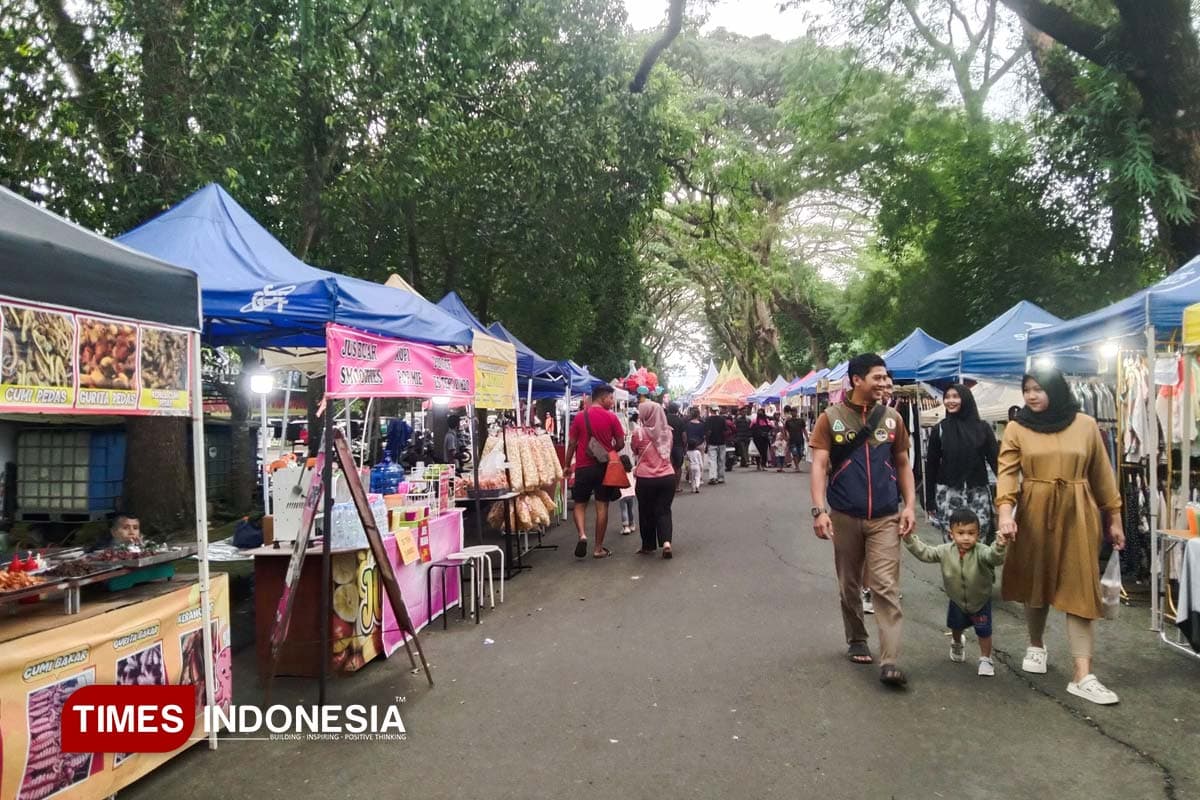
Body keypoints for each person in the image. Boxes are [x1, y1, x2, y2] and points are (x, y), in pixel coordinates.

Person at [996, 367, 1125, 705]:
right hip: (1034, 510)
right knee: (1035, 582)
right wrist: (1005, 514)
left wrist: (1115, 517)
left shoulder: (1084, 424)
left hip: (1079, 511)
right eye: (1027, 389)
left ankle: (1083, 674)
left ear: (1056, 388)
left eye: (1039, 389)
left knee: (1081, 586)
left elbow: (1102, 473)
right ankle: (1036, 644)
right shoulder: (1016, 427)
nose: (1032, 396)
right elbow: (1007, 473)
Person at [810, 352, 916, 688]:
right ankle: (857, 636)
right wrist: (819, 509)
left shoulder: (893, 419)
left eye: (886, 378)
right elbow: (819, 465)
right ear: (857, 380)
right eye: (878, 377)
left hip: (885, 515)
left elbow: (902, 463)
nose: (885, 383)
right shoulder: (831, 418)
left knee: (885, 586)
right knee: (850, 582)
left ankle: (890, 660)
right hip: (844, 514)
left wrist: (910, 505)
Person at [902, 508, 1007, 677]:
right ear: (951, 534)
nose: (966, 537)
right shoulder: (945, 551)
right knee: (956, 626)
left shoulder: (982, 552)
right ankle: (957, 642)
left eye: (971, 533)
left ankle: (985, 659)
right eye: (961, 533)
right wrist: (909, 539)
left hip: (980, 601)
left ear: (978, 534)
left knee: (984, 631)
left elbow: (994, 557)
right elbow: (926, 553)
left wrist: (1000, 545)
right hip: (957, 600)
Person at [926, 384, 999, 543]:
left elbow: (996, 462)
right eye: (947, 397)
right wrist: (929, 499)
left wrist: (1006, 493)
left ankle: (978, 568)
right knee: (952, 538)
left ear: (966, 399)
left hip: (977, 493)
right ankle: (954, 568)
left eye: (955, 396)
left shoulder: (983, 428)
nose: (950, 401)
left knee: (980, 536)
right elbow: (931, 466)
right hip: (948, 493)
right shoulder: (940, 430)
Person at [565, 384, 627, 559]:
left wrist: (567, 465)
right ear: (603, 397)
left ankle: (582, 535)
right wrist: (609, 450)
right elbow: (621, 443)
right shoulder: (611, 417)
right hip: (603, 468)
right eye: (611, 398)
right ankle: (598, 548)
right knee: (602, 506)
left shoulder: (579, 417)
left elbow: (572, 444)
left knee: (579, 504)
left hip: (583, 467)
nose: (612, 401)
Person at [632, 400, 678, 558]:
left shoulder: (639, 433)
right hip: (667, 477)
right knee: (664, 510)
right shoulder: (668, 432)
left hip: (645, 479)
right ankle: (666, 542)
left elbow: (634, 449)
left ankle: (648, 545)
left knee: (646, 512)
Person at [618, 410, 638, 536]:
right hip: (632, 493)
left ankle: (625, 526)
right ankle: (632, 524)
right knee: (631, 509)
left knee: (623, 510)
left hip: (622, 494)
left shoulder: (619, 473)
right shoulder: (632, 471)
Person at [666, 402, 688, 492]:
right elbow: (684, 435)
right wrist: (685, 445)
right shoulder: (680, 420)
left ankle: (668, 487)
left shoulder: (664, 419)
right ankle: (677, 486)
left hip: (666, 446)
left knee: (667, 466)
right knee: (678, 467)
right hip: (678, 446)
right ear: (677, 410)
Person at [704, 405, 728, 485]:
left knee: (712, 461)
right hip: (721, 443)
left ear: (711, 410)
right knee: (721, 460)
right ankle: (721, 477)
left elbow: (707, 432)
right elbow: (726, 431)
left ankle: (713, 477)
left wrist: (707, 441)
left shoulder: (708, 420)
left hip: (712, 443)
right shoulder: (722, 419)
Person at [685, 408, 706, 493]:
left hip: (690, 444)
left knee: (689, 461)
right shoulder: (702, 424)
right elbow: (703, 435)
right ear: (698, 415)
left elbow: (686, 434)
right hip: (700, 444)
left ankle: (690, 477)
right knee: (700, 460)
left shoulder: (687, 424)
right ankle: (699, 478)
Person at [784, 407, 807, 472]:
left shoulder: (801, 420)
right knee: (795, 453)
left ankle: (796, 464)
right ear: (791, 412)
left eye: (795, 411)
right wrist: (786, 436)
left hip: (800, 439)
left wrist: (807, 437)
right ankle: (797, 467)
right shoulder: (788, 421)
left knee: (801, 453)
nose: (793, 413)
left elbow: (804, 429)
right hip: (792, 440)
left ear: (797, 412)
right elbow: (785, 429)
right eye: (792, 411)